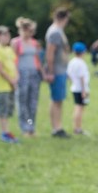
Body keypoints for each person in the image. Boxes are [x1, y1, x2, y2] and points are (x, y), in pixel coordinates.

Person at [12, 17, 43, 137]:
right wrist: (15, 75)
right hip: (21, 73)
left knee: (33, 103)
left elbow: (37, 59)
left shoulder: (34, 43)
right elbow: (13, 60)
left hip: (34, 74)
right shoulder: (16, 43)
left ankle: (31, 126)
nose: (30, 33)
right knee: (22, 102)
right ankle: (25, 127)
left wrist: (42, 73)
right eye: (28, 30)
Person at [44, 7, 70, 138]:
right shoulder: (54, 32)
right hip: (57, 71)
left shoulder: (58, 31)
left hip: (61, 70)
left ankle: (58, 126)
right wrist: (51, 72)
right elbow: (50, 54)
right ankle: (56, 128)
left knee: (58, 100)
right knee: (56, 100)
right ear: (64, 18)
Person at [0, 25, 19, 143]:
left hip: (11, 86)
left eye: (8, 34)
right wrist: (11, 80)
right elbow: (0, 70)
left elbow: (14, 64)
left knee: (8, 111)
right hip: (1, 86)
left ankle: (7, 131)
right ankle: (4, 133)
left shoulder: (9, 50)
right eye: (3, 34)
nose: (7, 37)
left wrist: (16, 77)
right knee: (2, 111)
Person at [66, 42, 90, 135]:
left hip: (74, 87)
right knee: (79, 109)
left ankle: (76, 127)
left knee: (77, 107)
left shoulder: (72, 62)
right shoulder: (81, 63)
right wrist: (84, 90)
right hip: (81, 89)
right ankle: (78, 128)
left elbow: (68, 75)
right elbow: (82, 77)